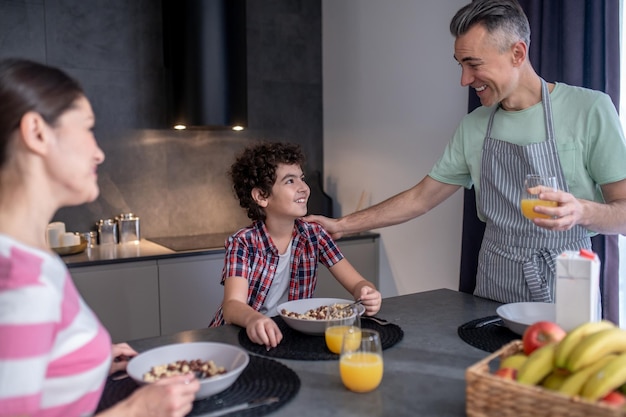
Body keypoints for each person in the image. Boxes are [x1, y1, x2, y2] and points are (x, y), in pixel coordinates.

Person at [305, 0, 626, 305]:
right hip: (493, 283)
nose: (464, 80)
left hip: (566, 282)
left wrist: (582, 211)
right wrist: (342, 226)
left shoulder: (589, 109)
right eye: (460, 65)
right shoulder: (475, 126)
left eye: (474, 65)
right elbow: (420, 199)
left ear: (517, 53)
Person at [0, 58, 199, 416]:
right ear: (37, 133)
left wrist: (79, 362)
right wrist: (138, 411)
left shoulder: (27, 259)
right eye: (88, 128)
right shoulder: (18, 280)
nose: (99, 152)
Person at [209, 142, 382, 348]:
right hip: (239, 336)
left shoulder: (314, 235)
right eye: (290, 181)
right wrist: (253, 319)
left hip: (289, 336)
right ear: (261, 196)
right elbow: (232, 306)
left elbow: (357, 284)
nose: (304, 188)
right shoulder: (243, 243)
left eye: (302, 178)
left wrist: (367, 293)